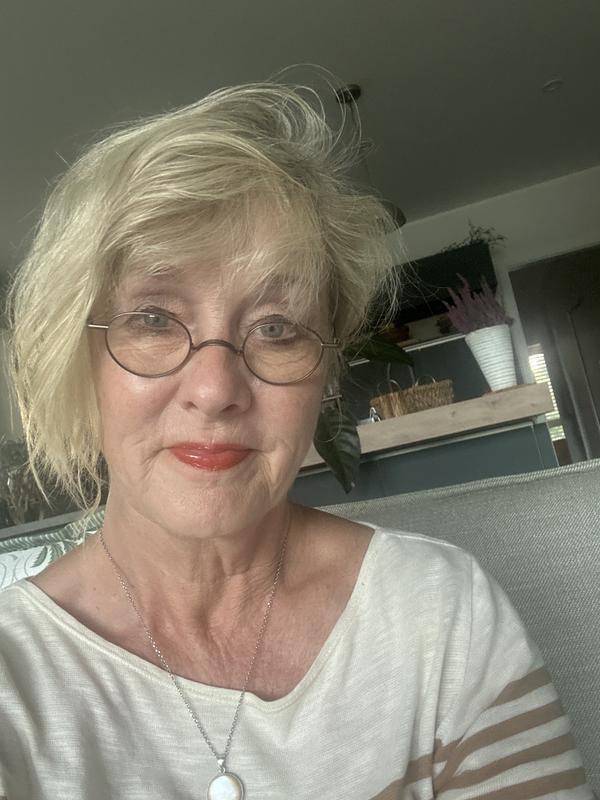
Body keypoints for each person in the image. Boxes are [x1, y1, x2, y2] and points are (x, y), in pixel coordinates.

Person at [0, 80, 593, 800]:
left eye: (277, 328)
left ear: (325, 371)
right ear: (78, 355)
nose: (215, 389)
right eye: (153, 318)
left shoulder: (440, 615)